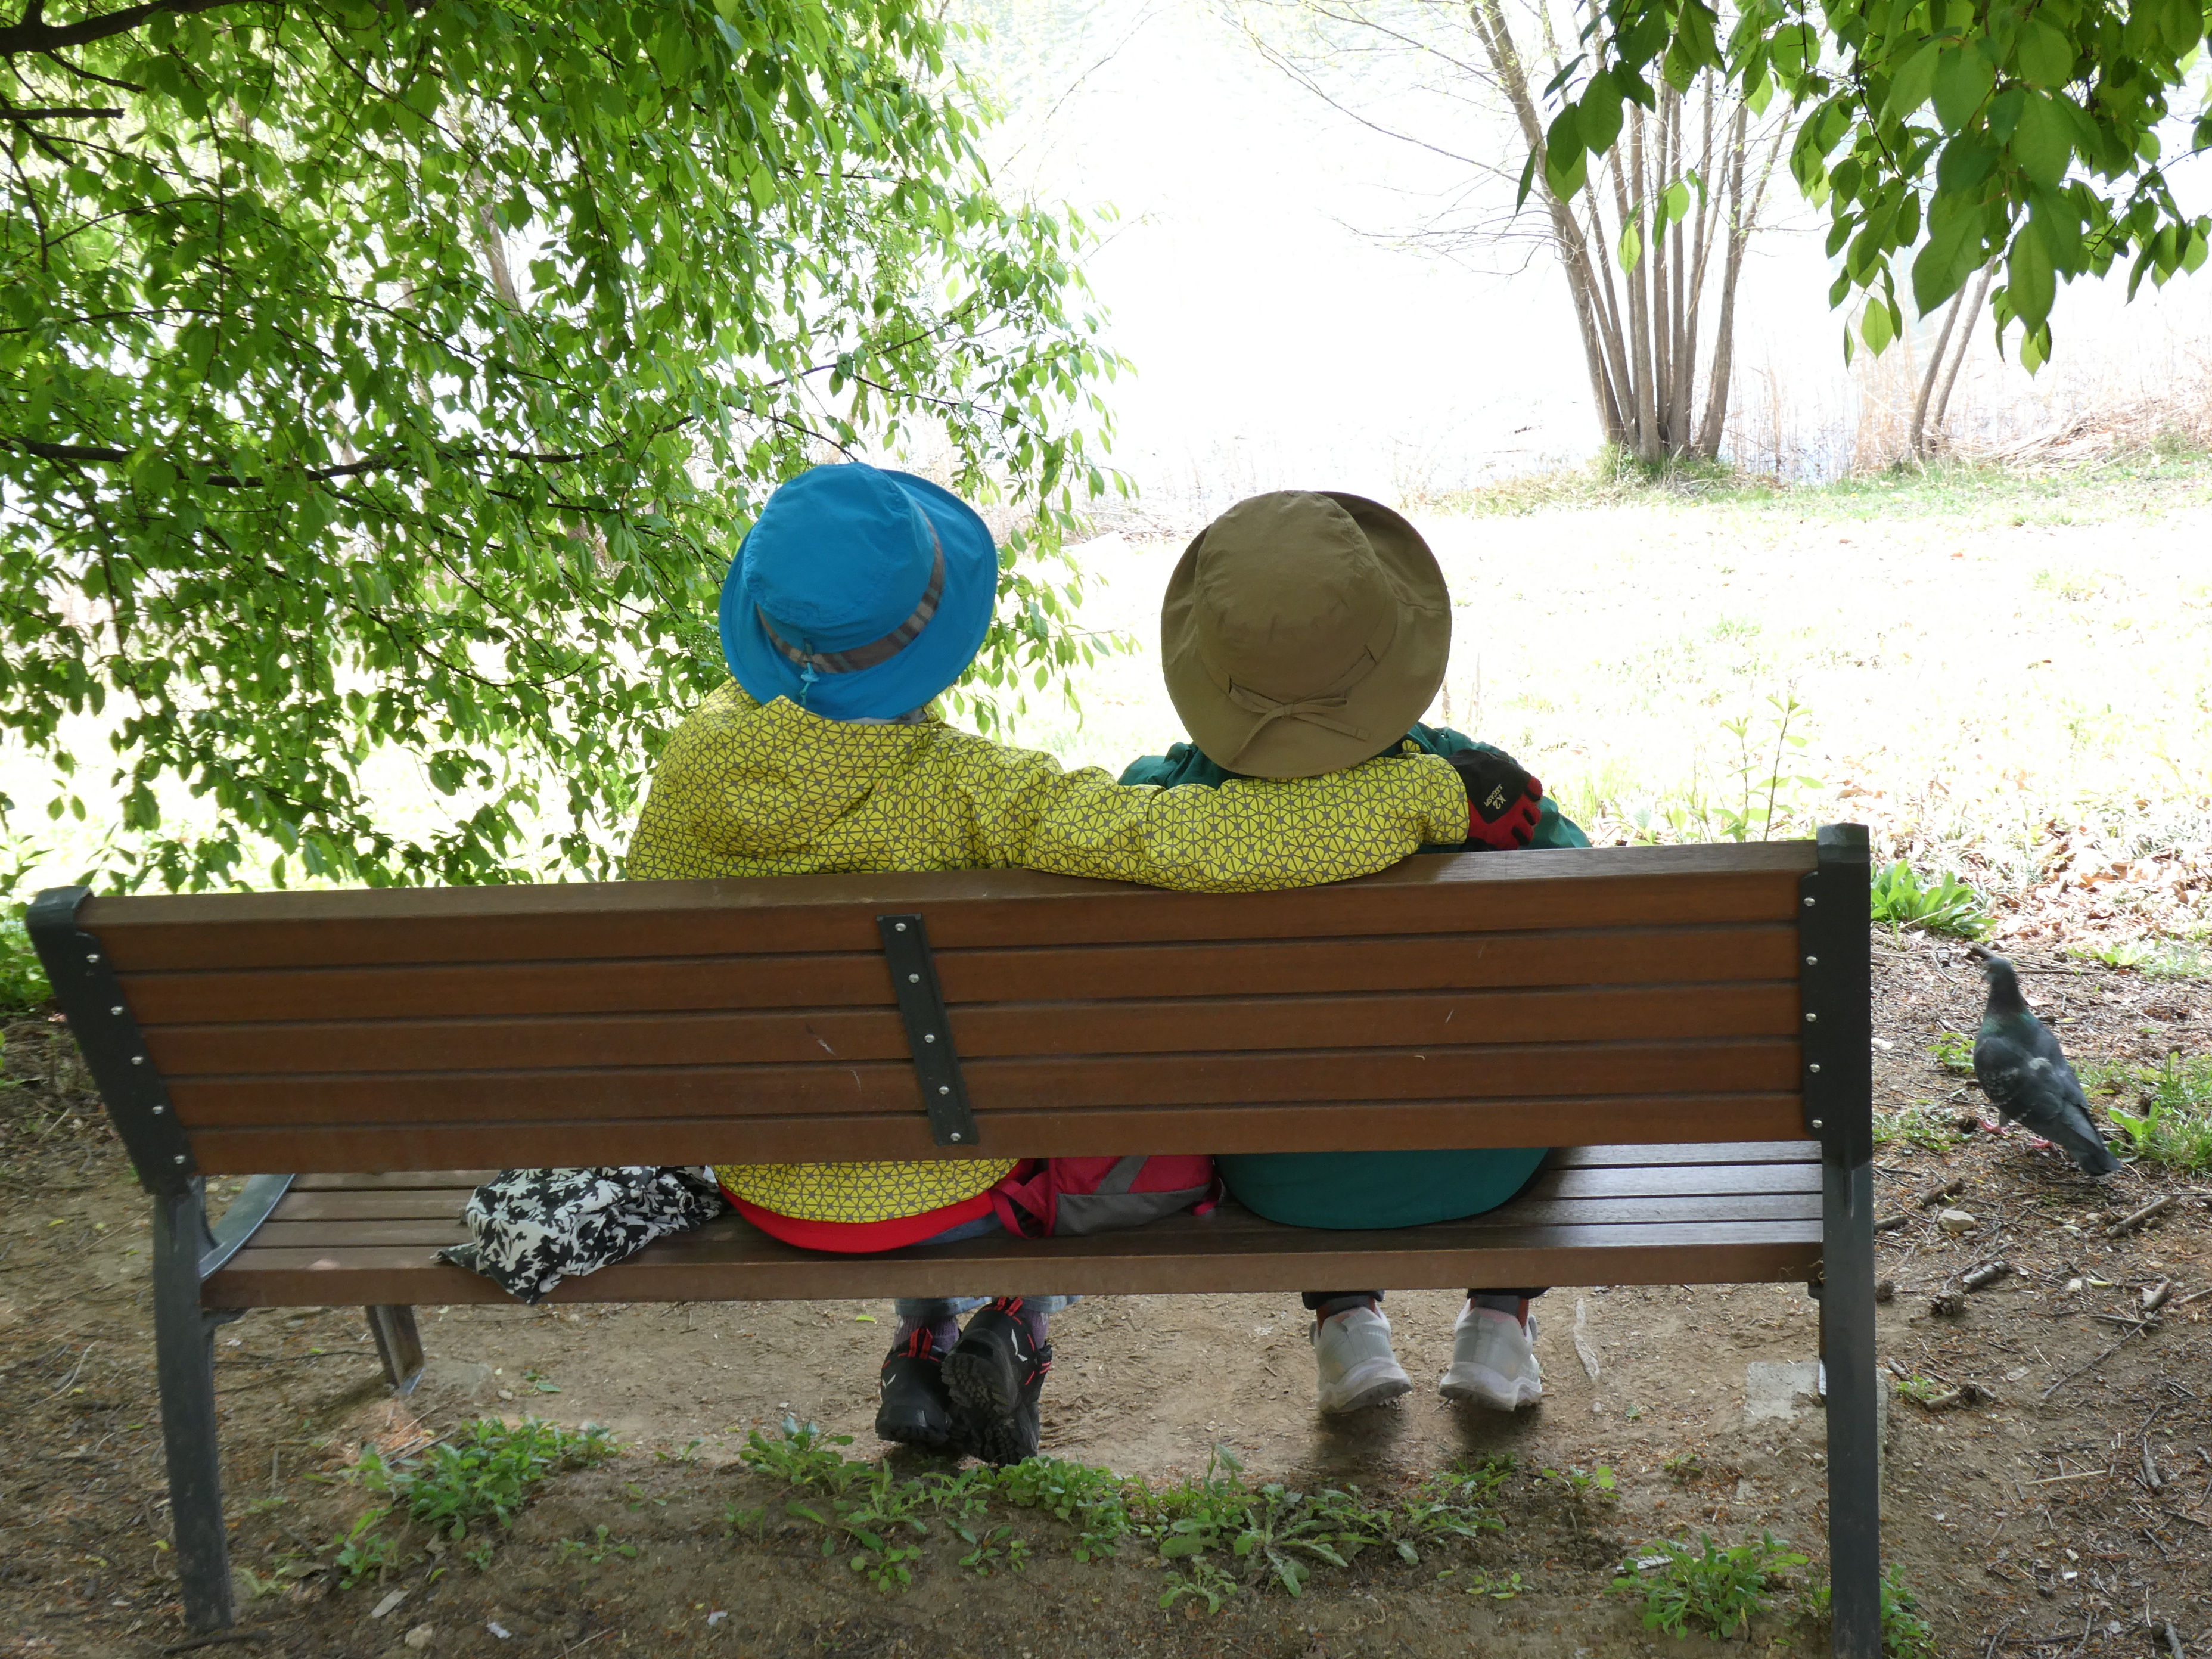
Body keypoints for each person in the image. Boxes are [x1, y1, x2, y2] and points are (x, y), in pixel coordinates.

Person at [625, 463, 1473, 1462]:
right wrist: (1427, 795)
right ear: (931, 641)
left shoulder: (686, 771)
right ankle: (1017, 1320)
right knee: (1135, 1151)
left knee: (907, 1095)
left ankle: (922, 1342)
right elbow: (1198, 842)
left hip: (766, 1183)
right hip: (948, 1195)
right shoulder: (973, 791)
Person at [1116, 489, 1592, 1417]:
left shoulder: (1163, 804)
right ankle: (1499, 1322)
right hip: (1489, 1164)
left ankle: (1347, 1325)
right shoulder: (1471, 789)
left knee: (1283, 1073)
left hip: (1281, 1173)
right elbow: (1584, 921)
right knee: (1545, 1060)